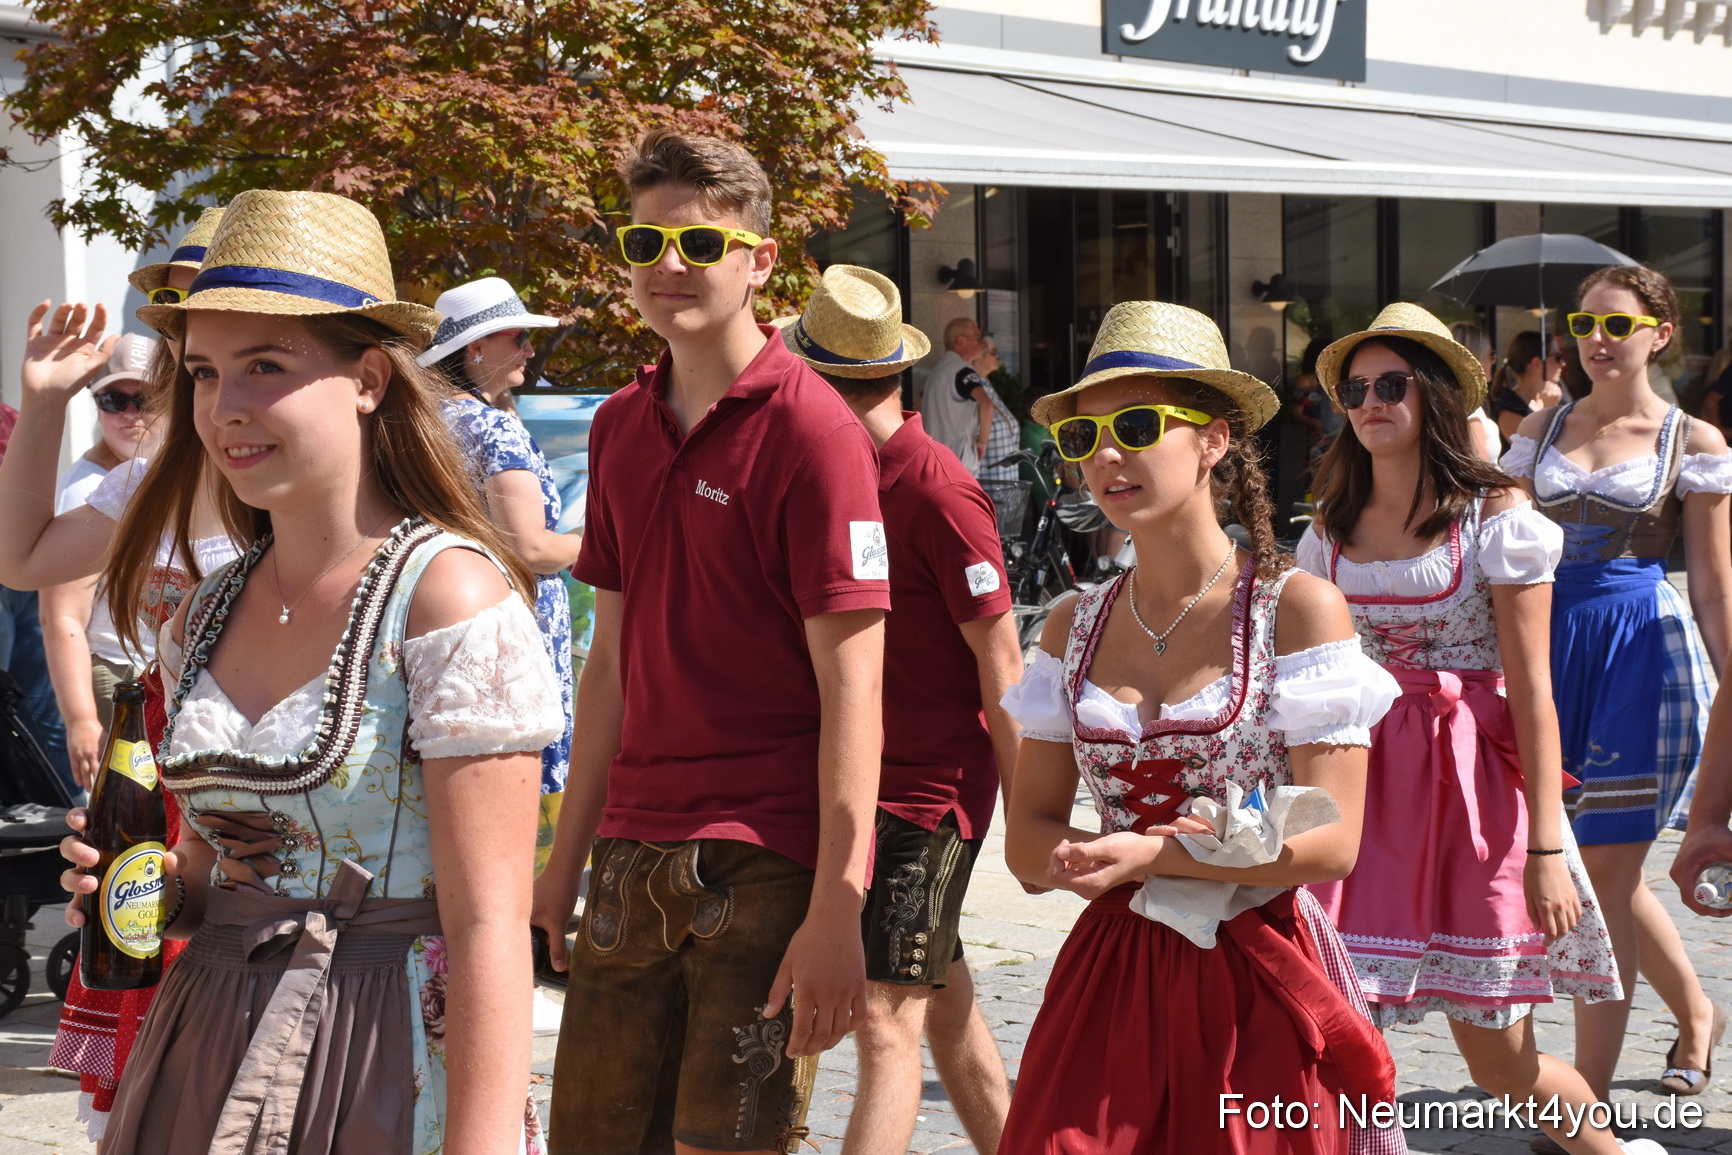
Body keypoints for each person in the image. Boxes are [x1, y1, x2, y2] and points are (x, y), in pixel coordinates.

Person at [4, 189, 559, 1153]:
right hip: (207, 1034)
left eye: (267, 366)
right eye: (208, 371)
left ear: (371, 379)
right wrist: (152, 892)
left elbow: (489, 931)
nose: (227, 408)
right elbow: (215, 879)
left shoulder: (448, 600)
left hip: (386, 1053)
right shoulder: (210, 609)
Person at [530, 130, 890, 1155]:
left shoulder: (817, 432)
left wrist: (837, 906)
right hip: (630, 849)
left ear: (760, 259)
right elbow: (607, 663)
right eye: (645, 242)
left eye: (698, 244)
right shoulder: (616, 425)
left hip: (766, 858)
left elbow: (855, 697)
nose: (667, 267)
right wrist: (564, 861)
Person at [997, 300, 1403, 1155]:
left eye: (1137, 425)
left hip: (1255, 969)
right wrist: (1076, 856)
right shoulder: (1070, 625)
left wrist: (1157, 854)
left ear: (1214, 439)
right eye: (1083, 437)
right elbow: (1027, 840)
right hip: (1113, 972)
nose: (1106, 455)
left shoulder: (1295, 608)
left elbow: (1334, 846)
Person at [1298, 304, 1629, 1155]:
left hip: (1472, 802)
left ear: (1435, 394)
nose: (1371, 402)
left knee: (1501, 1064)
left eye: (1392, 384)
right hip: (1358, 798)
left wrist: (1549, 849)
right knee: (1325, 1027)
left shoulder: (1494, 518)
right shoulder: (1324, 533)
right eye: (1355, 389)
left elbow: (1533, 694)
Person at [776, 265, 1021, 1155]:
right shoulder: (824, 476)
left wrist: (1030, 817)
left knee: (885, 1020)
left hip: (927, 794)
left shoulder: (937, 487)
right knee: (940, 1001)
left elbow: (1002, 660)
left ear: (817, 383)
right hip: (854, 786)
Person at [1505, 263, 1732, 1106]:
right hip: (1542, 648)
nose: (1597, 340)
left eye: (1618, 325)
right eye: (1585, 324)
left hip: (1643, 652)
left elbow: (1711, 585)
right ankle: (1699, 1012)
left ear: (1659, 334)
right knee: (1605, 870)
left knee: (1603, 866)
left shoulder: (1693, 443)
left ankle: (1586, 1095)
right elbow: (1500, 553)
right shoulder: (1539, 425)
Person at [419, 276, 576, 806]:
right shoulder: (494, 428)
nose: (530, 349)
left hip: (444, 619)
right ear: (476, 347)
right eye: (518, 336)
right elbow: (530, 549)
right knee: (522, 786)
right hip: (517, 622)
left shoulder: (423, 425)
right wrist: (599, 541)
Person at [39, 334, 162, 791]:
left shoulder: (159, 470)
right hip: (122, 676)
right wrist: (81, 719)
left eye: (145, 398)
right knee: (129, 820)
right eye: (113, 400)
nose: (129, 414)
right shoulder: (88, 489)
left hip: (168, 671)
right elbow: (61, 615)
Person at [921, 316, 997, 474]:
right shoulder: (963, 371)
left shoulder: (937, 371)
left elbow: (917, 407)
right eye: (977, 338)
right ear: (961, 341)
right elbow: (987, 405)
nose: (981, 344)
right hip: (957, 462)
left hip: (933, 459)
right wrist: (982, 444)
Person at [1489, 330, 1565, 449]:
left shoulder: (1556, 399)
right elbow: (1532, 451)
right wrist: (1548, 411)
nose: (1563, 363)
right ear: (1537, 363)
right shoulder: (1508, 405)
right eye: (1558, 357)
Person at [1449, 321, 1502, 463]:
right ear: (1475, 358)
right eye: (1490, 354)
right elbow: (1479, 468)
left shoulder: (1449, 401)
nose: (1493, 361)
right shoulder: (1469, 409)